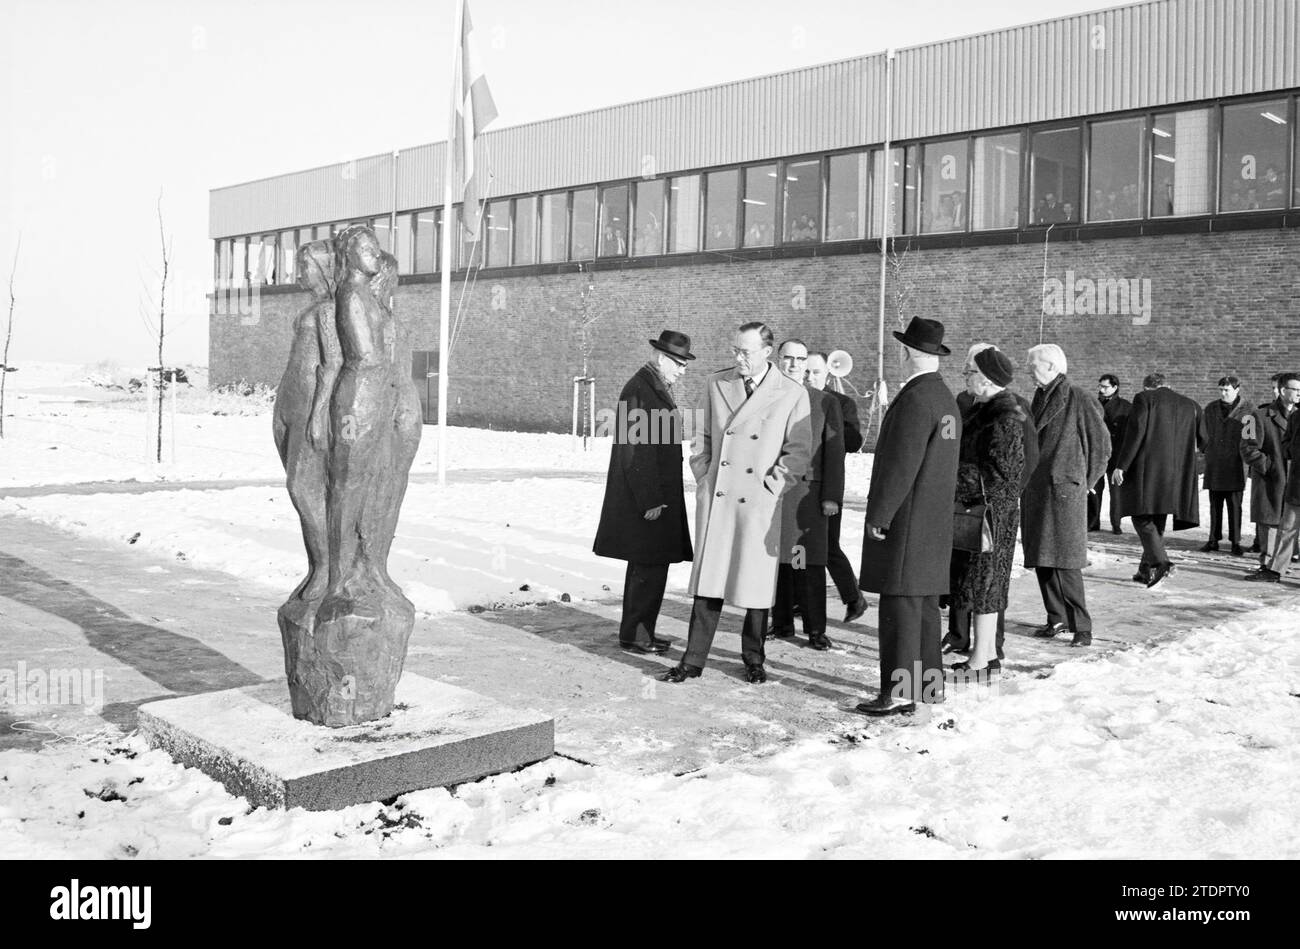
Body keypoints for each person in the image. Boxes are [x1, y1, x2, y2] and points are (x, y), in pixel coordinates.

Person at [661, 322, 812, 684]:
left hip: (758, 501)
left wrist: (771, 488)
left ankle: (754, 660)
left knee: (755, 584)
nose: (738, 357)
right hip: (720, 497)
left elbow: (799, 451)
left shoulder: (791, 393)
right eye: (735, 350)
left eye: (745, 351)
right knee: (708, 582)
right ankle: (692, 660)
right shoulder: (717, 384)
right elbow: (701, 437)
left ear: (766, 352)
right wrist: (705, 475)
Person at [854, 317, 960, 716]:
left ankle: (897, 693)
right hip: (932, 525)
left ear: (909, 353)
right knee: (924, 613)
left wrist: (880, 515)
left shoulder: (916, 399)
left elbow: (901, 465)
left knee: (899, 611)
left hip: (907, 522)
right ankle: (927, 690)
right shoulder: (943, 399)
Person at [592, 331, 695, 653]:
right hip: (649, 501)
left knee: (650, 567)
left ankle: (640, 632)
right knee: (647, 568)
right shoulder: (641, 390)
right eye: (679, 363)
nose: (683, 370)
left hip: (656, 497)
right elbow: (634, 451)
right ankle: (636, 635)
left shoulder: (653, 387)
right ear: (662, 358)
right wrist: (650, 499)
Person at [944, 343, 1037, 665]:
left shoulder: (1005, 416)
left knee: (987, 586)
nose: (966, 378)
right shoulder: (986, 410)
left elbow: (1008, 473)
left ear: (984, 379)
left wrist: (956, 478)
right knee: (981, 586)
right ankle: (981, 656)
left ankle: (982, 661)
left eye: (970, 373)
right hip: (983, 513)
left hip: (992, 517)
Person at [1022, 344, 1110, 647]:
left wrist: (1085, 482)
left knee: (1066, 561)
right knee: (1042, 558)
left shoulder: (1077, 397)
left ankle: (1081, 626)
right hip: (1038, 489)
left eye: (1031, 365)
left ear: (1049, 366)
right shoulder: (1039, 396)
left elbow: (1101, 445)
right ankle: (1056, 616)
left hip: (1063, 491)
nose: (1027, 370)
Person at [770, 341, 845, 650]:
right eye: (788, 358)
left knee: (808, 562)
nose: (794, 364)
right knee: (779, 561)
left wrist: (831, 496)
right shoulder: (767, 397)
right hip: (773, 490)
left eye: (800, 359)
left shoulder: (824, 402)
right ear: (778, 360)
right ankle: (782, 623)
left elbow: (834, 452)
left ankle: (816, 629)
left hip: (808, 494)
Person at [1112, 374, 1202, 588]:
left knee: (1140, 517)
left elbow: (1136, 432)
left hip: (1148, 469)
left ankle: (1161, 563)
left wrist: (1121, 465)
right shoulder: (1190, 404)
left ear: (1147, 387)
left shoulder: (1145, 399)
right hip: (1177, 471)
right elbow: (1202, 438)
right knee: (1157, 518)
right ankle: (1146, 571)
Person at [806, 351, 869, 622]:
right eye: (806, 372)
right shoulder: (791, 398)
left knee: (827, 546)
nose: (810, 377)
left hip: (828, 484)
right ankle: (799, 602)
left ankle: (853, 597)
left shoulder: (841, 403)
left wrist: (830, 420)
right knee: (798, 549)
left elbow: (854, 442)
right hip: (798, 485)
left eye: (816, 372)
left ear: (827, 374)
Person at [1242, 373, 1300, 581]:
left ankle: (1283, 562)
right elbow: (1247, 448)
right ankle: (1268, 564)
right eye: (1296, 389)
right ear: (1283, 391)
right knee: (1270, 522)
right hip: (1271, 480)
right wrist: (1271, 466)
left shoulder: (1297, 415)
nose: (1299, 393)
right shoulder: (1256, 416)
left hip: (1295, 480)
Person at [1199, 376, 1248, 555]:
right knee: (1214, 505)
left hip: (1236, 465)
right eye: (1221, 389)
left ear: (1237, 389)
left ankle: (1235, 541)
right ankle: (1213, 539)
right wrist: (1207, 449)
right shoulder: (1211, 408)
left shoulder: (1248, 409)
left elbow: (1250, 438)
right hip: (1216, 464)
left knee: (1235, 506)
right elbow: (1202, 432)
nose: (1223, 393)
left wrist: (1244, 456)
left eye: (1227, 390)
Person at [1088, 374, 1131, 535]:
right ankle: (1093, 522)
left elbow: (1129, 434)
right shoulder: (1093, 404)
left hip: (1116, 454)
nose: (1101, 389)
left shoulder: (1125, 407)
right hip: (1097, 454)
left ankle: (1116, 523)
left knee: (1116, 491)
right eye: (1100, 386)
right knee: (1094, 489)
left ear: (1115, 387)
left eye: (1105, 387)